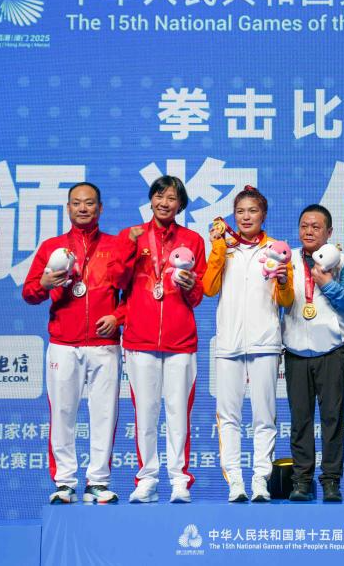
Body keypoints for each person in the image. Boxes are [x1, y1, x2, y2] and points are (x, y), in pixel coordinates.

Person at [22, 182, 124, 505]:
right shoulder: (51, 247)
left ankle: (98, 482)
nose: (83, 208)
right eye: (76, 203)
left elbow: (135, 294)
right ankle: (64, 482)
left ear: (100, 208)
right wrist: (43, 283)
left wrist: (118, 317)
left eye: (89, 203)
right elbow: (28, 293)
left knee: (104, 414)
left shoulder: (115, 246)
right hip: (64, 344)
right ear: (67, 208)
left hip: (104, 345)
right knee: (63, 413)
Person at [202, 186, 294, 502]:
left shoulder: (276, 249)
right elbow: (208, 288)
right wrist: (217, 247)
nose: (246, 216)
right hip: (228, 343)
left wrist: (283, 281)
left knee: (264, 417)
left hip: (265, 342)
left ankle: (260, 481)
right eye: (240, 211)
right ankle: (235, 482)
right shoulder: (224, 248)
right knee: (228, 416)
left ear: (263, 214)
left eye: (252, 210)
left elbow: (287, 299)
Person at [119, 175, 207, 504]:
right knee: (145, 412)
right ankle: (147, 479)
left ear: (180, 204)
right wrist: (128, 248)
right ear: (150, 200)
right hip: (139, 339)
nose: (164, 202)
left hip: (180, 340)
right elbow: (118, 280)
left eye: (171, 198)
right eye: (159, 196)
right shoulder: (133, 236)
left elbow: (198, 295)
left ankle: (179, 480)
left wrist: (190, 285)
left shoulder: (192, 240)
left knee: (178, 413)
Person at [282, 204, 344, 502]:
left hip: (332, 350)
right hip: (295, 352)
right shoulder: (286, 259)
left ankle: (331, 482)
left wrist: (328, 285)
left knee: (332, 419)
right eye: (304, 226)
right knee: (300, 420)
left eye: (316, 227)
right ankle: (302, 482)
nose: (309, 231)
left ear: (329, 232)